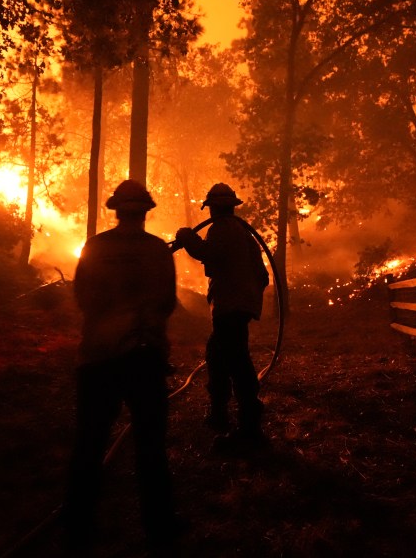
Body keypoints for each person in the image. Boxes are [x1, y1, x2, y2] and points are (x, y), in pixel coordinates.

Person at [63, 179, 184, 552]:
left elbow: (82, 295)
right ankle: (159, 528)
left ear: (115, 210)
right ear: (146, 211)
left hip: (97, 357)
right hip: (143, 359)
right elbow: (166, 302)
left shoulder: (95, 247)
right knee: (150, 447)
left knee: (89, 443)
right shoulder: (156, 251)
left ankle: (77, 528)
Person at [175, 183, 269, 445]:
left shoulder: (222, 229)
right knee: (217, 355)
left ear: (214, 207)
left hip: (230, 307)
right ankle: (219, 414)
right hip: (237, 305)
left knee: (236, 362)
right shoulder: (241, 232)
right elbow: (262, 275)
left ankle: (249, 428)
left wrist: (186, 237)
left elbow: (206, 253)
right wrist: (248, 299)